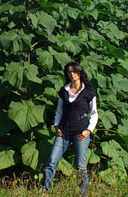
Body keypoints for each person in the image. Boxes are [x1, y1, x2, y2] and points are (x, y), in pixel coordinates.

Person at [40, 61, 98, 196]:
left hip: (80, 133)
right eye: (70, 72)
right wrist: (56, 125)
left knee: (80, 166)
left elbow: (94, 114)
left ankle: (83, 194)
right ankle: (44, 191)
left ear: (80, 72)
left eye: (75, 71)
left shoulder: (89, 92)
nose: (72, 74)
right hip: (63, 132)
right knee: (51, 162)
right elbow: (59, 111)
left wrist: (88, 130)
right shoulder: (64, 91)